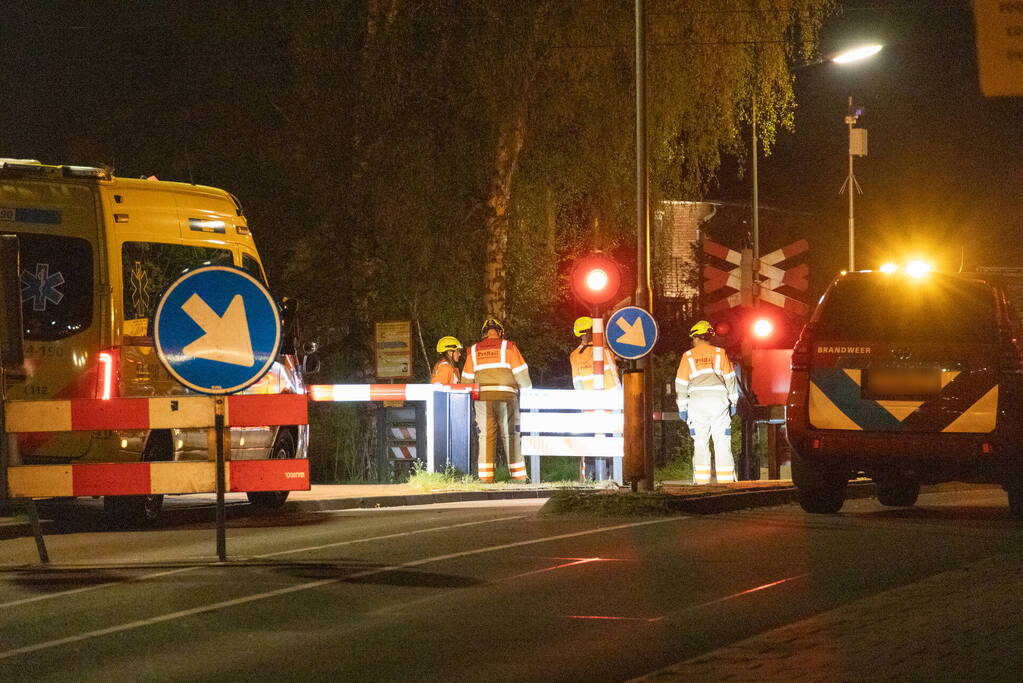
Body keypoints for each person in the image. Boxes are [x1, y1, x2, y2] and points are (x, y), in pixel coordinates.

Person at [461, 316, 531, 483]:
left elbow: (466, 380)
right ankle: (519, 477)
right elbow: (521, 374)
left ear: (484, 333)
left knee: (485, 436)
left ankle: (486, 479)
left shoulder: (473, 350)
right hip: (506, 397)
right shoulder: (509, 347)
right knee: (510, 435)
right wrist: (528, 395)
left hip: (483, 398)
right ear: (500, 332)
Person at [676, 320, 739, 484]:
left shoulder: (688, 356)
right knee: (722, 441)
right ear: (709, 337)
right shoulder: (720, 353)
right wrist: (733, 402)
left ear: (695, 338)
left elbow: (681, 384)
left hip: (697, 403)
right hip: (719, 401)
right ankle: (726, 482)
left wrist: (682, 407)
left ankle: (702, 482)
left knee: (700, 442)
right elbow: (730, 379)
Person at [569, 316, 621, 390]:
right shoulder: (605, 349)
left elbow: (577, 383)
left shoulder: (574, 355)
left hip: (591, 399)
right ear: (593, 329)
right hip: (612, 396)